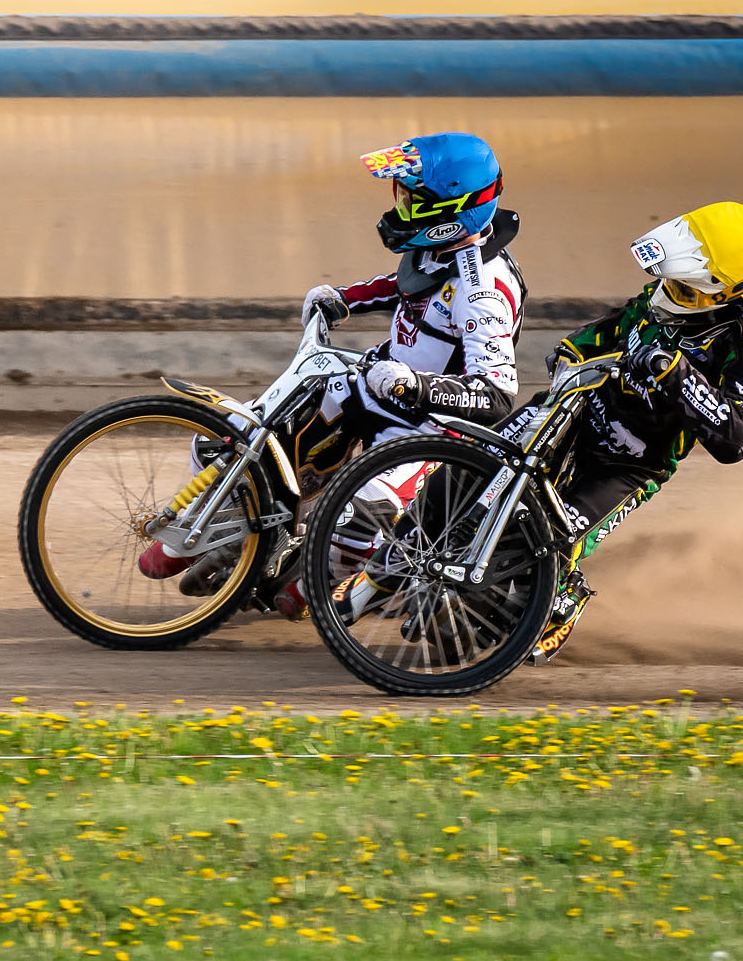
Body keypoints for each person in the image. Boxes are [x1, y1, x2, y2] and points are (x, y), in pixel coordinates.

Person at [138, 131, 525, 615]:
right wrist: (346, 298)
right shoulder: (444, 249)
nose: (398, 207)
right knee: (240, 437)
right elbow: (406, 286)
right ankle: (244, 530)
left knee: (353, 526)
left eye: (411, 200)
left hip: (428, 428)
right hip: (374, 387)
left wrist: (413, 384)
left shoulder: (483, 290)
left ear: (450, 210)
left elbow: (496, 394)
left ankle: (313, 582)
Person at [523, 201, 743, 663]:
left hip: (632, 463)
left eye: (687, 287)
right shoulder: (671, 294)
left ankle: (562, 598)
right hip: (581, 412)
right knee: (485, 456)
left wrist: (678, 374)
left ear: (726, 291)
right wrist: (569, 351)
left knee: (555, 539)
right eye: (675, 281)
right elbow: (614, 326)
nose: (672, 291)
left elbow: (739, 438)